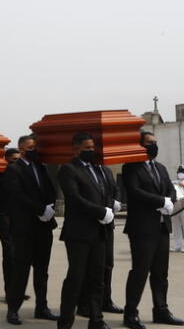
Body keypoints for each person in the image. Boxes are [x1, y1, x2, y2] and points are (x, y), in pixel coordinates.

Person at [122, 131, 184, 329]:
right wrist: (160, 201)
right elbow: (134, 191)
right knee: (140, 271)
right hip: (142, 227)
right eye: (149, 143)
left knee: (160, 272)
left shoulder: (160, 167)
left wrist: (169, 201)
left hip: (161, 226)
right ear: (140, 145)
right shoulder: (130, 167)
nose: (153, 146)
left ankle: (161, 310)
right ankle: (130, 313)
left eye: (155, 143)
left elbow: (170, 189)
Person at [57, 133, 116, 329]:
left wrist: (109, 206)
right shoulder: (68, 169)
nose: (91, 151)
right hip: (79, 234)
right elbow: (74, 198)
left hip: (100, 232)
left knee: (97, 278)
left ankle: (96, 319)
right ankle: (65, 321)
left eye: (92, 147)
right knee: (76, 278)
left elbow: (105, 192)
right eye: (86, 148)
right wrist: (100, 212)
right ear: (76, 149)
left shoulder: (99, 169)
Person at [5, 135, 59, 325]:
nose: (34, 149)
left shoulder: (40, 168)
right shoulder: (13, 169)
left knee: (42, 271)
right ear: (21, 149)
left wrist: (49, 207)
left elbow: (51, 190)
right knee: (21, 271)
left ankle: (41, 307)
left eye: (35, 146)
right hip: (24, 229)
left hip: (43, 226)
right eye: (30, 147)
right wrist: (39, 209)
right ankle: (13, 309)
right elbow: (18, 196)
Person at [0, 148, 22, 300]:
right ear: (7, 160)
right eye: (13, 160)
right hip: (4, 219)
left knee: (19, 257)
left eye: (18, 160)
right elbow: (0, 197)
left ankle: (17, 290)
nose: (16, 163)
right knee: (9, 254)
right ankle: (9, 291)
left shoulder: (21, 176)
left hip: (19, 220)